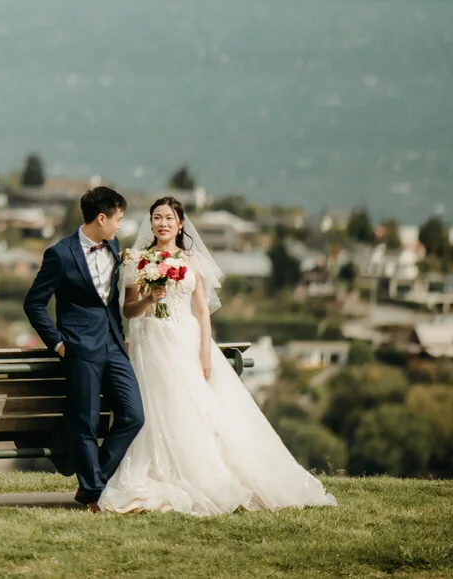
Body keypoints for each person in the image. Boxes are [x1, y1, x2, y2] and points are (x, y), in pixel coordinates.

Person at [99, 196, 337, 514]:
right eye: (157, 217)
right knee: (156, 406)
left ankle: (204, 471)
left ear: (180, 224)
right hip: (150, 343)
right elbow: (129, 311)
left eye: (169, 218)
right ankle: (160, 468)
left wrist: (205, 353)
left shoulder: (192, 261)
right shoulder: (137, 259)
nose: (163, 223)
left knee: (192, 406)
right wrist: (149, 299)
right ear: (150, 223)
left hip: (184, 340)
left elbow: (202, 311)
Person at [23, 185, 144, 512]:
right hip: (79, 348)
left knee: (133, 415)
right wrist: (58, 343)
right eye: (118, 218)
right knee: (86, 421)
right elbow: (34, 303)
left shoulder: (115, 247)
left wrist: (120, 334)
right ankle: (94, 495)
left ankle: (94, 481)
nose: (120, 225)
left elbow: (110, 300)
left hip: (114, 345)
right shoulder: (60, 254)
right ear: (101, 218)